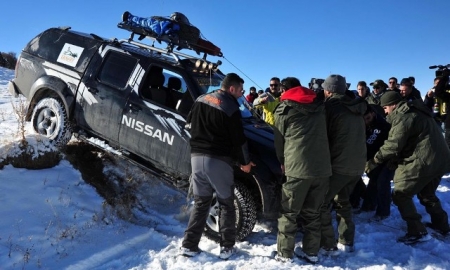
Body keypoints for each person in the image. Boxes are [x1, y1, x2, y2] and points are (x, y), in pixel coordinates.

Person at [179, 73, 255, 260]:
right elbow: (239, 140)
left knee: (201, 203)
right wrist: (245, 163)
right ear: (231, 89)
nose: (241, 94)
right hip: (218, 160)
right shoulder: (230, 106)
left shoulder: (200, 99)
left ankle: (189, 245)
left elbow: (188, 124)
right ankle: (227, 248)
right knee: (226, 204)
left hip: (196, 158)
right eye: (240, 90)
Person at [366, 91, 450, 245]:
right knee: (427, 194)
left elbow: (393, 145)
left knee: (400, 194)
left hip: (425, 160)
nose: (384, 111)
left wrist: (374, 160)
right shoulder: (416, 110)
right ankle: (442, 225)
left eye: (385, 108)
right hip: (440, 160)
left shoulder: (403, 116)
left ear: (393, 105)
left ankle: (417, 231)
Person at [272, 77, 332, 264]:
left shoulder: (284, 109)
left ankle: (285, 254)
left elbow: (279, 140)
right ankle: (311, 252)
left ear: (285, 89)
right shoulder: (320, 107)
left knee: (289, 212)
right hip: (322, 168)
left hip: (297, 169)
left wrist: (282, 161)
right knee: (313, 212)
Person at [320, 74, 367, 253]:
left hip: (339, 165)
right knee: (343, 201)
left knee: (321, 203)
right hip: (356, 165)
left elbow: (323, 137)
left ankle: (327, 242)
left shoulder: (331, 108)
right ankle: (346, 240)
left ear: (329, 91)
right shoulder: (356, 107)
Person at [358, 105, 394, 221]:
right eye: (364, 119)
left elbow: (373, 143)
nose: (366, 121)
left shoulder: (383, 126)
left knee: (382, 182)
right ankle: (368, 206)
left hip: (387, 158)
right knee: (373, 181)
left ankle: (383, 212)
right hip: (373, 159)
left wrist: (375, 160)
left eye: (368, 118)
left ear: (373, 114)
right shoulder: (364, 125)